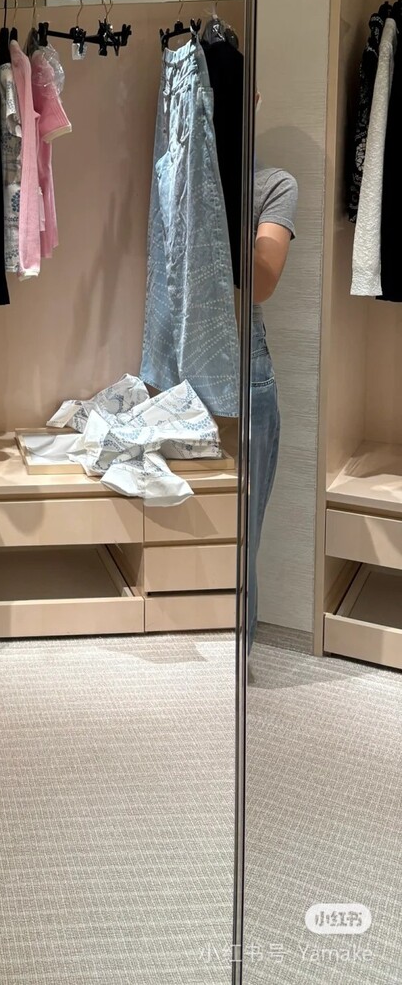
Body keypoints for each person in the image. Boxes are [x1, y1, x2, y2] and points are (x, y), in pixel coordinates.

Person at [247, 117, 298, 653]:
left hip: (245, 367)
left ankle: (240, 663)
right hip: (173, 366)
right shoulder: (169, 173)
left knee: (242, 538)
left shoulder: (274, 184)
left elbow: (261, 283)